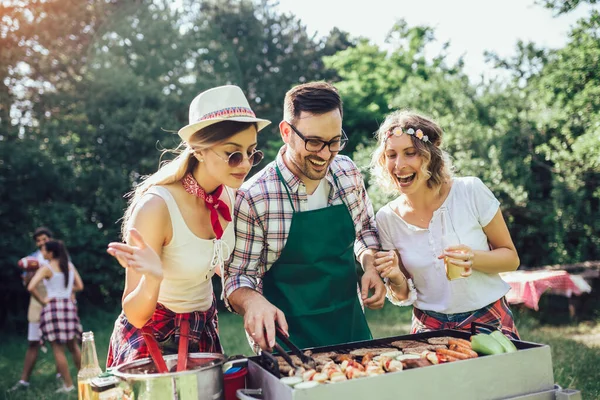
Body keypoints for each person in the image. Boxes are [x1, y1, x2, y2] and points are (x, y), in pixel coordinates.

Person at [105, 85, 270, 367]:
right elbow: (134, 314)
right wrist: (153, 278)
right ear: (200, 150)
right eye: (233, 154)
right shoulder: (157, 208)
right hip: (153, 337)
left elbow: (219, 263)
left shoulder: (230, 194)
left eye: (252, 153)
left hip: (202, 328)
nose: (245, 164)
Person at [224, 81, 386, 351]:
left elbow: (366, 229)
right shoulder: (254, 197)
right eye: (314, 142)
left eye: (334, 141)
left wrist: (370, 264)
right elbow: (238, 277)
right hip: (287, 343)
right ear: (286, 132)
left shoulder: (347, 172)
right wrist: (253, 302)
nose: (325, 154)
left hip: (351, 330)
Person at [371, 110, 520, 339]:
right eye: (391, 155)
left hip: (488, 318)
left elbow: (511, 258)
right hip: (428, 325)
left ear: (430, 156)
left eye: (410, 153)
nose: (399, 165)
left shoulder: (470, 191)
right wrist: (395, 276)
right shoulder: (387, 218)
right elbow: (402, 295)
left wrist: (473, 258)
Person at [8, 227, 61, 392]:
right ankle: (24, 381)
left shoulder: (59, 257)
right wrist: (30, 272)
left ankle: (62, 377)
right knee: (33, 341)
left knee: (57, 342)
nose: (41, 243)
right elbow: (27, 284)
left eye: (44, 239)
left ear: (50, 239)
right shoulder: (31, 259)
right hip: (38, 301)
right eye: (38, 240)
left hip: (55, 300)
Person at [27, 239, 83, 393]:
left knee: (58, 349)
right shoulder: (69, 266)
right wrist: (66, 292)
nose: (42, 253)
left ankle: (68, 385)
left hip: (53, 308)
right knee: (73, 346)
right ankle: (85, 379)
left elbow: (31, 286)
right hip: (68, 306)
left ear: (50, 253)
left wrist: (44, 300)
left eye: (44, 250)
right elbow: (80, 286)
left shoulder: (46, 268)